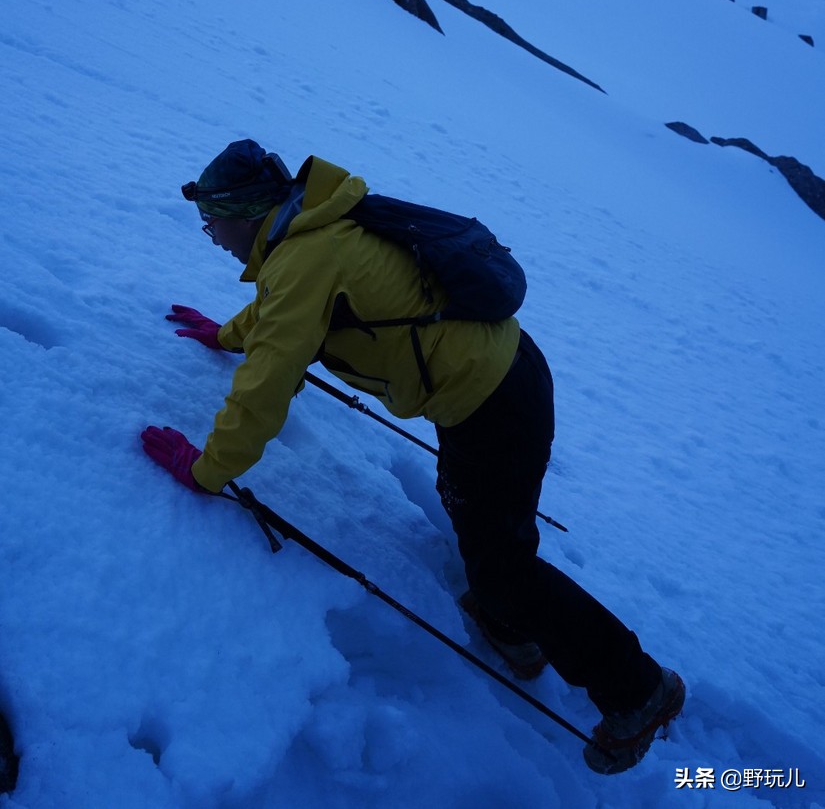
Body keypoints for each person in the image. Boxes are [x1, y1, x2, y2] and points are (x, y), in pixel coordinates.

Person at [142, 139, 685, 774]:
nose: (210, 235)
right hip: (492, 378)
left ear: (245, 213)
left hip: (493, 400)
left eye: (213, 221)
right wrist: (228, 333)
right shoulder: (309, 233)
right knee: (478, 514)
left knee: (503, 564)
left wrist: (207, 471)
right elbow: (280, 312)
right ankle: (512, 626)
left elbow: (265, 386)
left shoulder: (303, 259)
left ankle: (639, 690)